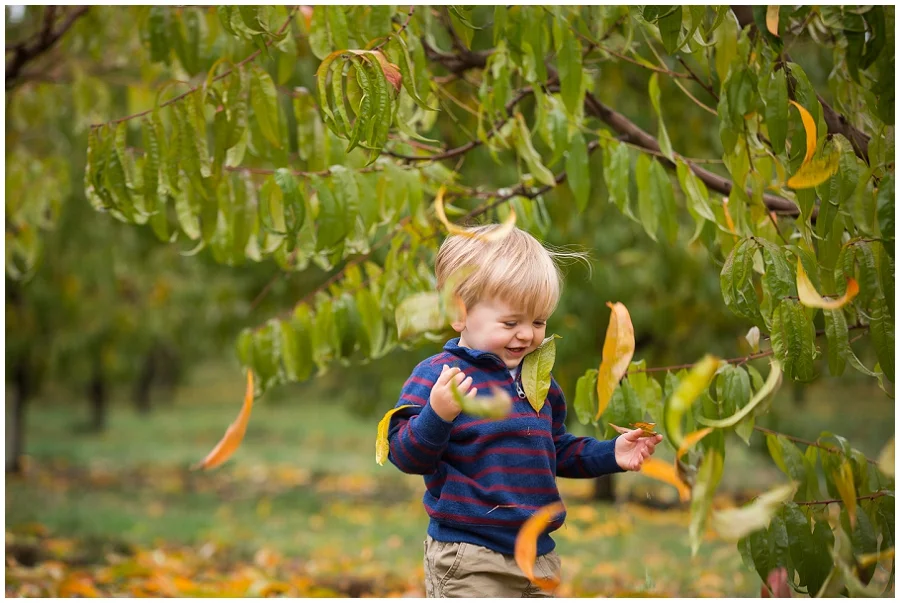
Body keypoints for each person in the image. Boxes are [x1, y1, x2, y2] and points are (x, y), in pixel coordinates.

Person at [387, 224, 663, 598]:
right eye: (511, 322)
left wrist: (611, 452)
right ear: (458, 313)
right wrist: (437, 413)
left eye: (538, 322)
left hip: (538, 556)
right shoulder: (440, 376)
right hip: (470, 554)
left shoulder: (538, 381)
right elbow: (405, 453)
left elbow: (556, 450)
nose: (526, 335)